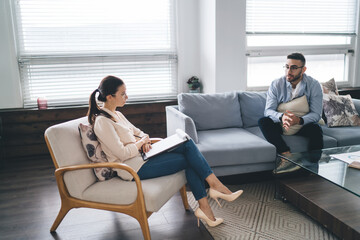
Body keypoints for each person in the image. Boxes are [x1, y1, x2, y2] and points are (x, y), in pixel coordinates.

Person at [87, 75, 243, 227]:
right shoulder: (103, 122)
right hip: (131, 169)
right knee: (190, 160)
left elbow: (140, 132)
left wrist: (144, 140)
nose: (126, 96)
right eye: (122, 94)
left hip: (143, 157)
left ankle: (210, 199)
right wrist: (141, 143)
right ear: (109, 97)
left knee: (186, 142)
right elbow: (122, 153)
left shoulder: (117, 114)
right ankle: (213, 193)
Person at [258, 53, 323, 173]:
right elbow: (268, 110)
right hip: (281, 124)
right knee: (263, 121)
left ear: (303, 69)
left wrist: (299, 120)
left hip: (302, 124)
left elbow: (316, 114)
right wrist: (281, 117)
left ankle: (311, 167)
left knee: (316, 129)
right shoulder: (276, 84)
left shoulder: (314, 85)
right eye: (287, 67)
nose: (289, 71)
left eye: (293, 68)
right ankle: (286, 155)